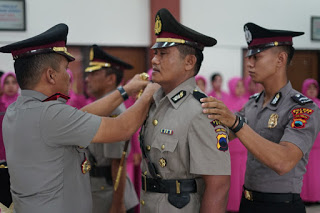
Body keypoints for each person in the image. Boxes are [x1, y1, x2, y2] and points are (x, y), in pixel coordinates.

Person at [0, 23, 159, 213]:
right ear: (51, 75)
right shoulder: (50, 114)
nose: (70, 76)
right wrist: (151, 91)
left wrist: (124, 91)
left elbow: (81, 116)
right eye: (65, 68)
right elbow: (123, 127)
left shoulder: (16, 110)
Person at [201, 22, 320, 213]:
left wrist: (235, 122)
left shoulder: (301, 108)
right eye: (249, 57)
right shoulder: (253, 103)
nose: (249, 63)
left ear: (280, 59)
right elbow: (223, 135)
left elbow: (283, 162)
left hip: (280, 206)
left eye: (256, 57)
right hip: (248, 202)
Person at [140, 8, 230, 213]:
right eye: (156, 53)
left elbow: (218, 185)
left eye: (163, 54)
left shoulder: (202, 111)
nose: (154, 60)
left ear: (189, 62)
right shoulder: (156, 102)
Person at [84, 44, 138, 213]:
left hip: (109, 196)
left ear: (110, 79)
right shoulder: (102, 107)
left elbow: (118, 163)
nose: (87, 78)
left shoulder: (114, 111)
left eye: (94, 73)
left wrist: (117, 205)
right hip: (99, 192)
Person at [224, 77, 248, 212]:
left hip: (243, 145)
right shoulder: (225, 102)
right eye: (237, 86)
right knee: (232, 178)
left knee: (242, 178)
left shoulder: (247, 102)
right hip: (231, 147)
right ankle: (231, 206)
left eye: (241, 86)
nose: (240, 89)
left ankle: (242, 205)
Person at [300, 78, 320, 203]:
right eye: (309, 88)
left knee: (317, 173)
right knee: (306, 173)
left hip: (319, 145)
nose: (312, 91)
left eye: (314, 88)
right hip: (306, 144)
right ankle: (305, 197)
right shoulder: (302, 105)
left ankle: (316, 197)